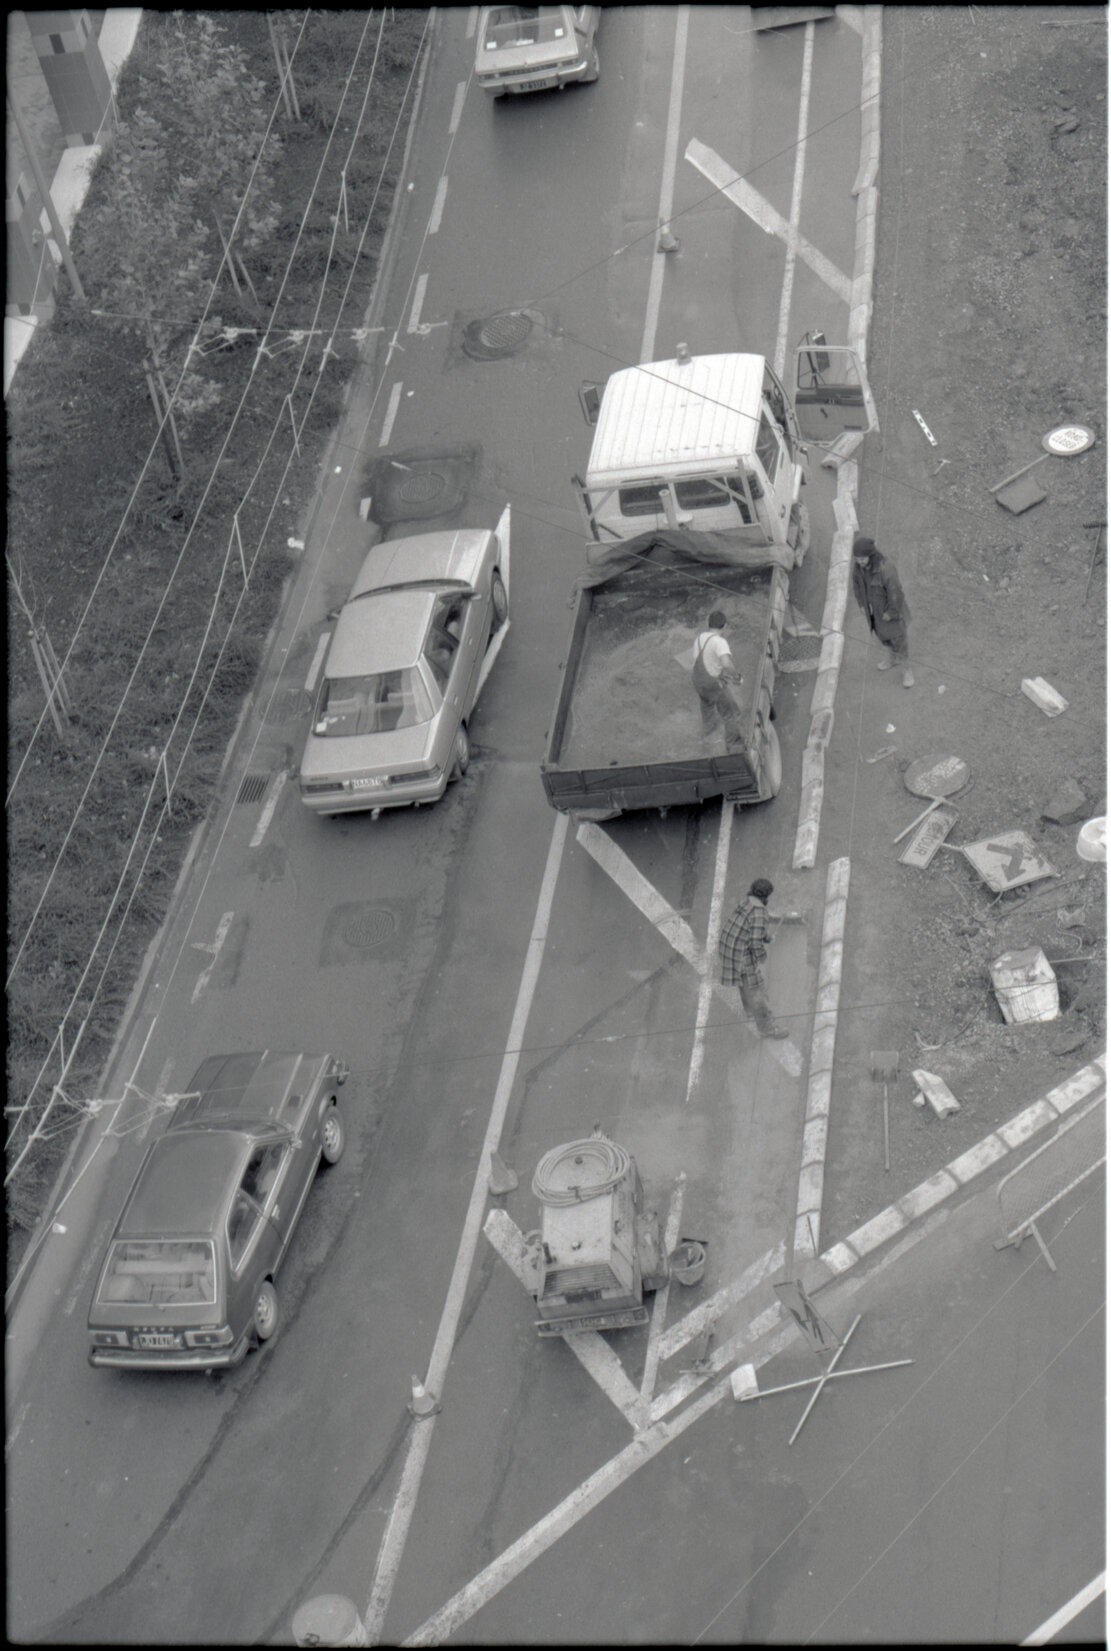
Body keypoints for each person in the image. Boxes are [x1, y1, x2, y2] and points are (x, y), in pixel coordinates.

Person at [719, 877, 789, 1038]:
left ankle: (748, 1009)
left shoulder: (745, 903)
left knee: (743, 981)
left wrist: (767, 938)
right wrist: (762, 957)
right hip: (741, 955)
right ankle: (767, 1028)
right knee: (756, 990)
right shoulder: (760, 913)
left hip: (728, 949)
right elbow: (754, 944)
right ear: (765, 896)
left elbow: (751, 929)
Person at [851, 533, 914, 687]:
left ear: (871, 556)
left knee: (899, 642)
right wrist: (861, 604)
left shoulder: (886, 569)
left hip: (892, 615)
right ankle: (892, 659)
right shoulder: (859, 567)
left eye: (862, 558)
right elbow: (857, 586)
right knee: (883, 637)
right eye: (857, 559)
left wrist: (891, 613)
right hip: (876, 614)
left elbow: (896, 594)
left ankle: (907, 671)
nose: (860, 562)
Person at [691, 610, 744, 748]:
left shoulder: (699, 638)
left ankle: (707, 738)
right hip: (712, 685)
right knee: (731, 713)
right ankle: (733, 744)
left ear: (708, 624)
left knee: (708, 708)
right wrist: (736, 675)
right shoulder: (719, 642)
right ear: (725, 626)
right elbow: (726, 663)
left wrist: (719, 674)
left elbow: (706, 662)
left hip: (698, 683)